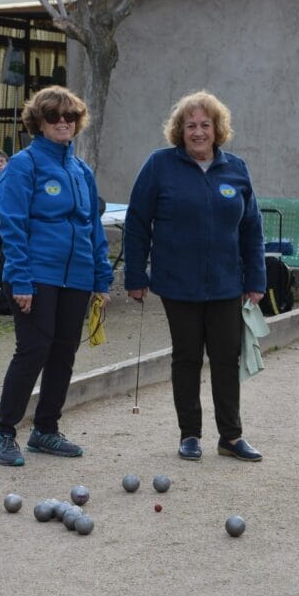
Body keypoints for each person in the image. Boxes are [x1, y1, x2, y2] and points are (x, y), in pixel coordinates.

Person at [123, 90, 266, 463]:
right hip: (177, 283)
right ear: (179, 130)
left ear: (217, 129)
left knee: (225, 357)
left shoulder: (236, 169)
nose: (198, 132)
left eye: (205, 125)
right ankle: (190, 435)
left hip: (226, 283)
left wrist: (256, 281)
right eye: (191, 126)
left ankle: (231, 437)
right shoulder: (159, 166)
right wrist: (135, 276)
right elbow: (137, 222)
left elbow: (252, 228)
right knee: (186, 358)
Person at [0, 86, 113, 467]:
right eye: (54, 116)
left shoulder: (80, 171)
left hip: (76, 277)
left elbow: (93, 227)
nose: (62, 122)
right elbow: (13, 225)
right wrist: (20, 280)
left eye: (69, 116)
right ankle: (2, 432)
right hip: (36, 274)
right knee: (33, 351)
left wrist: (101, 279)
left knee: (63, 353)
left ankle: (45, 430)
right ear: (38, 122)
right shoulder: (24, 165)